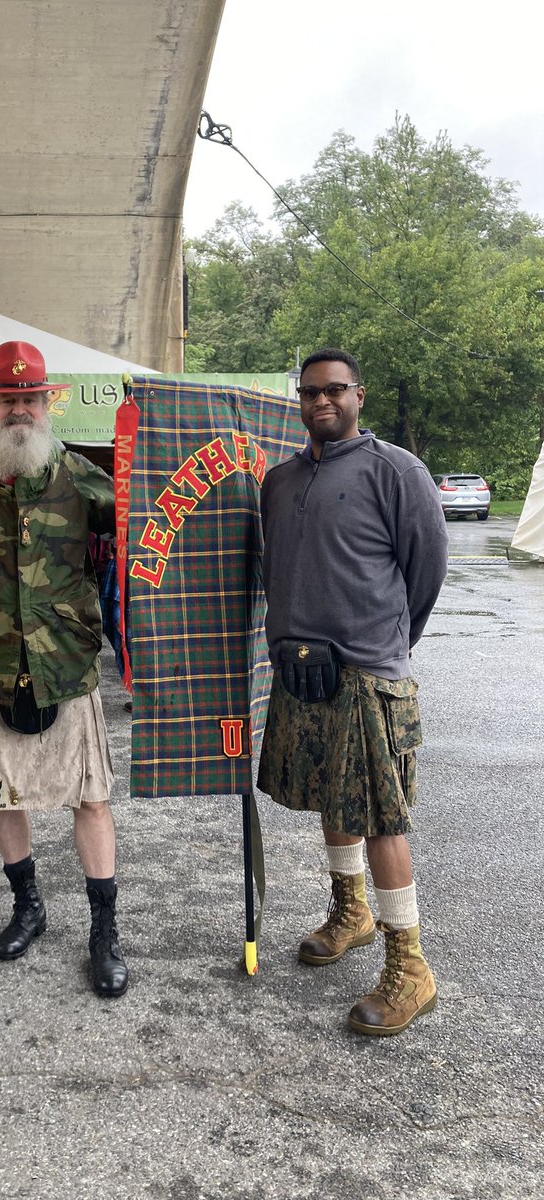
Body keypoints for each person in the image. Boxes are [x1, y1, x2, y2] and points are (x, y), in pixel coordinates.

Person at [257, 348, 448, 1036]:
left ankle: (411, 967)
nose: (321, 401)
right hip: (302, 669)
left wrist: (382, 644)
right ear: (299, 400)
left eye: (335, 390)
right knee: (325, 798)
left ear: (358, 395)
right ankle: (352, 912)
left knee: (381, 820)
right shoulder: (278, 480)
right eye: (310, 392)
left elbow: (426, 572)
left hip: (368, 674)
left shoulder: (397, 470)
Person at [0, 340, 128, 998]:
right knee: (1, 794)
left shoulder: (82, 477)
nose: (20, 408)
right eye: (8, 399)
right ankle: (29, 908)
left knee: (91, 798)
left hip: (65, 666)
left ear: (48, 403)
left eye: (30, 398)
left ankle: (105, 930)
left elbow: (147, 522)